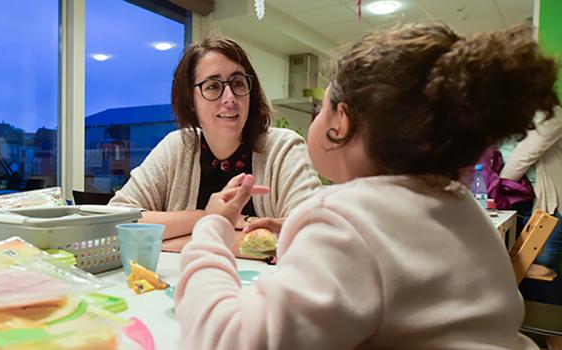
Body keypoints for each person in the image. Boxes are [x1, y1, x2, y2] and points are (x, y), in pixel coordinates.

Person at [174, 23, 559, 349]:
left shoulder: (344, 222)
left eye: (321, 106)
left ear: (340, 123)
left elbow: (225, 337)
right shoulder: (464, 209)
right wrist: (297, 232)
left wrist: (212, 227)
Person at [109, 37, 321, 239]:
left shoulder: (282, 148)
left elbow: (314, 234)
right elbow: (115, 219)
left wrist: (176, 239)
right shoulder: (177, 147)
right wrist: (210, 218)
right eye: (213, 86)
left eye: (238, 83)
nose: (229, 98)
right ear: (191, 101)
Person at [500, 105, 562, 305]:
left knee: (540, 266)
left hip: (549, 202)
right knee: (518, 269)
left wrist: (497, 185)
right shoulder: (503, 113)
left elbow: (526, 153)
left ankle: (550, 332)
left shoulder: (552, 115)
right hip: (515, 200)